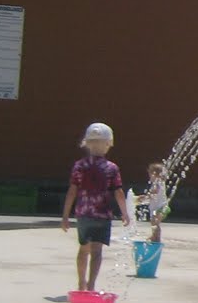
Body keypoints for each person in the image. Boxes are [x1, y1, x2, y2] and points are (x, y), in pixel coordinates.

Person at [60, 121, 134, 292]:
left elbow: (72, 191)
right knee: (97, 251)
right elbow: (119, 193)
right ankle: (92, 285)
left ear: (87, 143)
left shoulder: (79, 165)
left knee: (83, 249)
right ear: (108, 144)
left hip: (83, 213)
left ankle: (81, 283)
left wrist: (65, 217)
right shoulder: (112, 168)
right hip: (102, 214)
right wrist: (125, 214)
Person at [140, 161, 169, 244]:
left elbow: (154, 193)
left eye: (150, 173)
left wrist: (145, 197)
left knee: (154, 221)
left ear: (154, 174)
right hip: (161, 208)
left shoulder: (157, 183)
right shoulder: (158, 183)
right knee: (154, 222)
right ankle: (155, 236)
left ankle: (156, 237)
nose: (149, 176)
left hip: (162, 208)